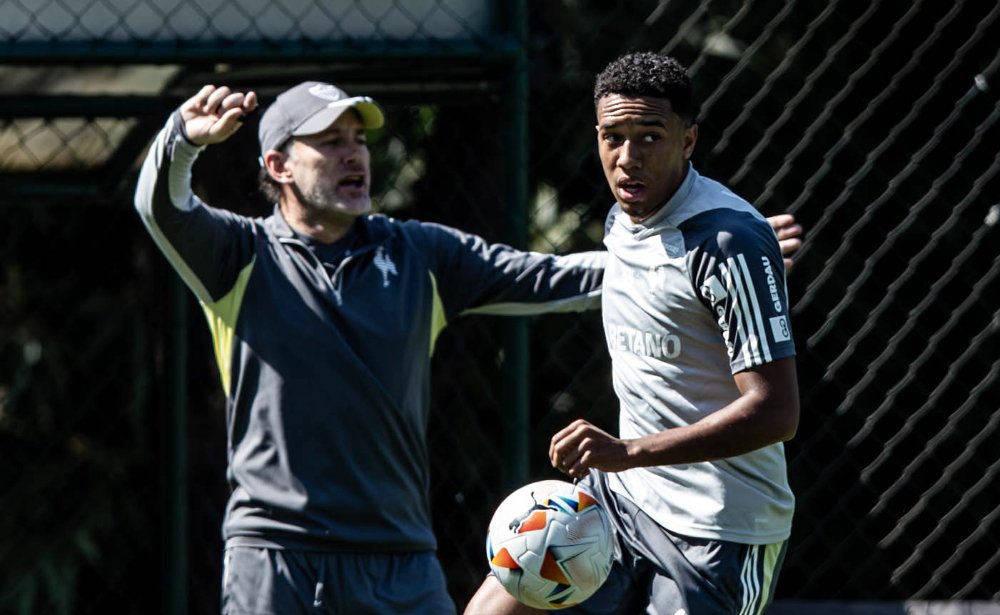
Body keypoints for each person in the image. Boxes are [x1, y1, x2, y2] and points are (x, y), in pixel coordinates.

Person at [134, 78, 801, 614]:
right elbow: (161, 208)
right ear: (277, 164)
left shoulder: (416, 253)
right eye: (328, 143)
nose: (354, 155)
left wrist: (702, 262)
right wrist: (183, 141)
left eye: (357, 140)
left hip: (398, 552)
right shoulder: (238, 258)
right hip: (275, 550)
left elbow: (545, 277)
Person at [465, 52, 800, 615]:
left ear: (688, 140)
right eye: (612, 137)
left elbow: (776, 412)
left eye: (649, 137)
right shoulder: (626, 218)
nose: (627, 159)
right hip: (621, 502)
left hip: (716, 533)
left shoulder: (728, 240)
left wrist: (627, 452)